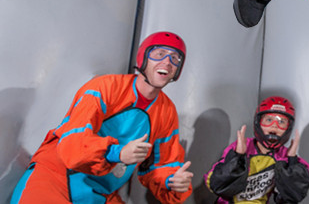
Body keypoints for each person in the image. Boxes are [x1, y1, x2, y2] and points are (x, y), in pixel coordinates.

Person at [11, 31, 193, 203]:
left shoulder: (167, 111)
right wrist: (117, 153)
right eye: (159, 54)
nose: (167, 62)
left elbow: (162, 164)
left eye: (175, 58)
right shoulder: (104, 87)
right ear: (143, 57)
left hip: (99, 191)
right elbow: (73, 143)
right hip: (55, 176)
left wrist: (172, 181)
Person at [205, 95, 309, 203]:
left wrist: (292, 160)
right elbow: (214, 184)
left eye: (281, 122)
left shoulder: (285, 156)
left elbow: (294, 195)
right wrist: (237, 156)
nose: (274, 126)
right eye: (269, 120)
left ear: (288, 127)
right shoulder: (241, 146)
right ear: (258, 122)